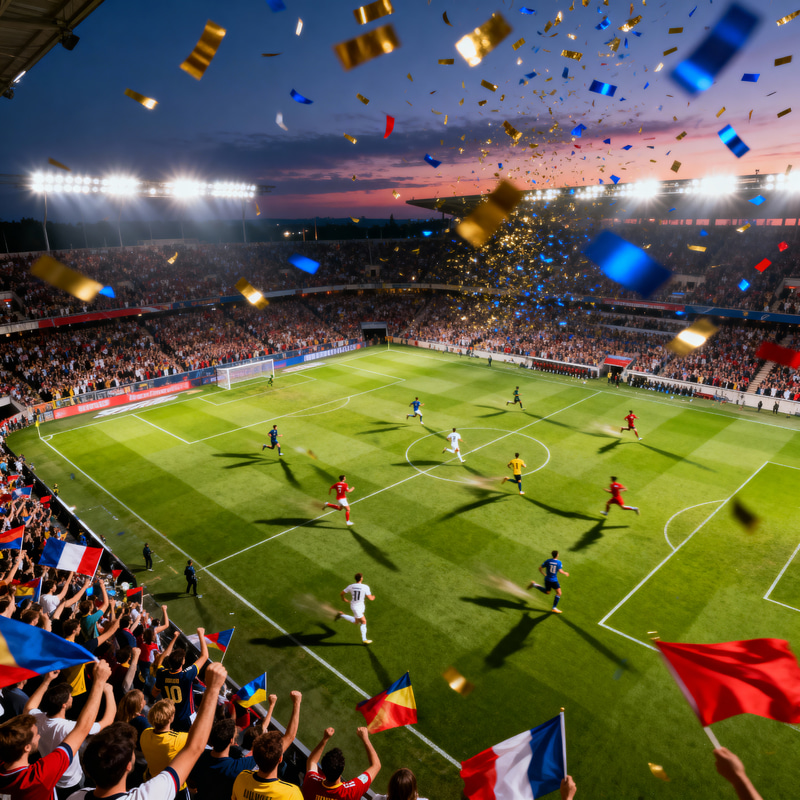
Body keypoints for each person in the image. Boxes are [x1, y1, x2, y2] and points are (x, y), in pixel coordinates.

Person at [72, 662, 229, 800]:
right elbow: (195, 747)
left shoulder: (77, 796)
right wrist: (213, 689)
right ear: (128, 766)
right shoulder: (148, 794)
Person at [0, 660, 112, 799]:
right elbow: (83, 728)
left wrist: (47, 680)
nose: (38, 735)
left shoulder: (4, 768)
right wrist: (99, 682)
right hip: (70, 784)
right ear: (27, 747)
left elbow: (28, 709)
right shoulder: (40, 775)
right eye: (35, 734)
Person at [188, 701, 274, 800]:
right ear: (231, 740)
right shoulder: (235, 767)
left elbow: (192, 785)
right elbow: (264, 750)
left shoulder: (200, 756)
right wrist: (272, 705)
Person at [232, 691, 303, 800]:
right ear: (280, 758)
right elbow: (290, 736)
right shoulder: (291, 794)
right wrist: (297, 703)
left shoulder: (242, 778)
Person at [301, 726, 381, 800]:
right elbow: (376, 765)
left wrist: (324, 739)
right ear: (343, 769)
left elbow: (312, 761)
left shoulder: (311, 782)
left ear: (323, 770)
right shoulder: (351, 791)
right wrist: (365, 739)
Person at [154, 630, 209, 732]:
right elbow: (205, 656)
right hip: (187, 717)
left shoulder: (161, 673)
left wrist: (174, 638)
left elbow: (161, 659)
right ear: (183, 661)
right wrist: (201, 634)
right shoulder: (186, 675)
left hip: (171, 716)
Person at [336, 573, 375, 645]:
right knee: (363, 621)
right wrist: (373, 597)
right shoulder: (365, 587)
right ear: (361, 578)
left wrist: (344, 599)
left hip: (357, 606)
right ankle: (364, 640)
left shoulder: (351, 586)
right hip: (357, 607)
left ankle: (341, 615)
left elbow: (341, 593)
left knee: (356, 622)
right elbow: (370, 598)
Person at [527, 550, 569, 614]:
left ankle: (534, 585)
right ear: (557, 555)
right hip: (554, 581)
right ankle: (554, 608)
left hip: (547, 580)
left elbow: (540, 568)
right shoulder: (559, 562)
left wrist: (543, 574)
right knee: (559, 593)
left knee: (547, 592)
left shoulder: (548, 561)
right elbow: (560, 571)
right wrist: (565, 573)